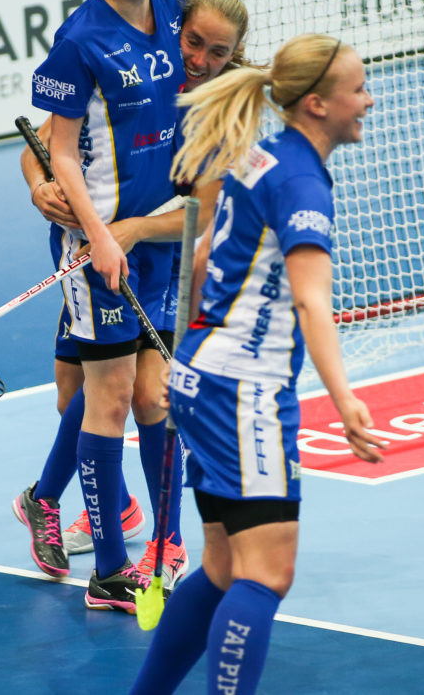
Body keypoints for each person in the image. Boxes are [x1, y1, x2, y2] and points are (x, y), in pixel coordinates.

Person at [128, 34, 387, 694]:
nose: (369, 99)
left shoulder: (258, 158)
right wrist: (345, 397)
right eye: (358, 88)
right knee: (267, 572)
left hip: (204, 374)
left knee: (221, 566)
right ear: (318, 104)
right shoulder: (302, 181)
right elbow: (310, 300)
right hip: (244, 391)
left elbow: (201, 259)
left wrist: (191, 361)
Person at [14, 0, 253, 593]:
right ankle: (73, 504)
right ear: (176, 30)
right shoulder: (133, 76)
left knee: (145, 397)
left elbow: (203, 211)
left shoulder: (220, 113)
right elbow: (40, 146)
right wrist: (41, 185)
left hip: (155, 257)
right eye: (192, 42)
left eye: (216, 52)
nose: (198, 59)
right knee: (81, 393)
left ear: (234, 56)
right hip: (92, 250)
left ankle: (161, 544)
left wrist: (136, 229)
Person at [11, 0, 191, 614]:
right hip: (102, 241)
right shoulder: (78, 40)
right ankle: (110, 570)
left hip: (162, 235)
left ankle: (164, 544)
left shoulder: (180, 6)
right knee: (103, 397)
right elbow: (57, 150)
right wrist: (100, 234)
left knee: (155, 396)